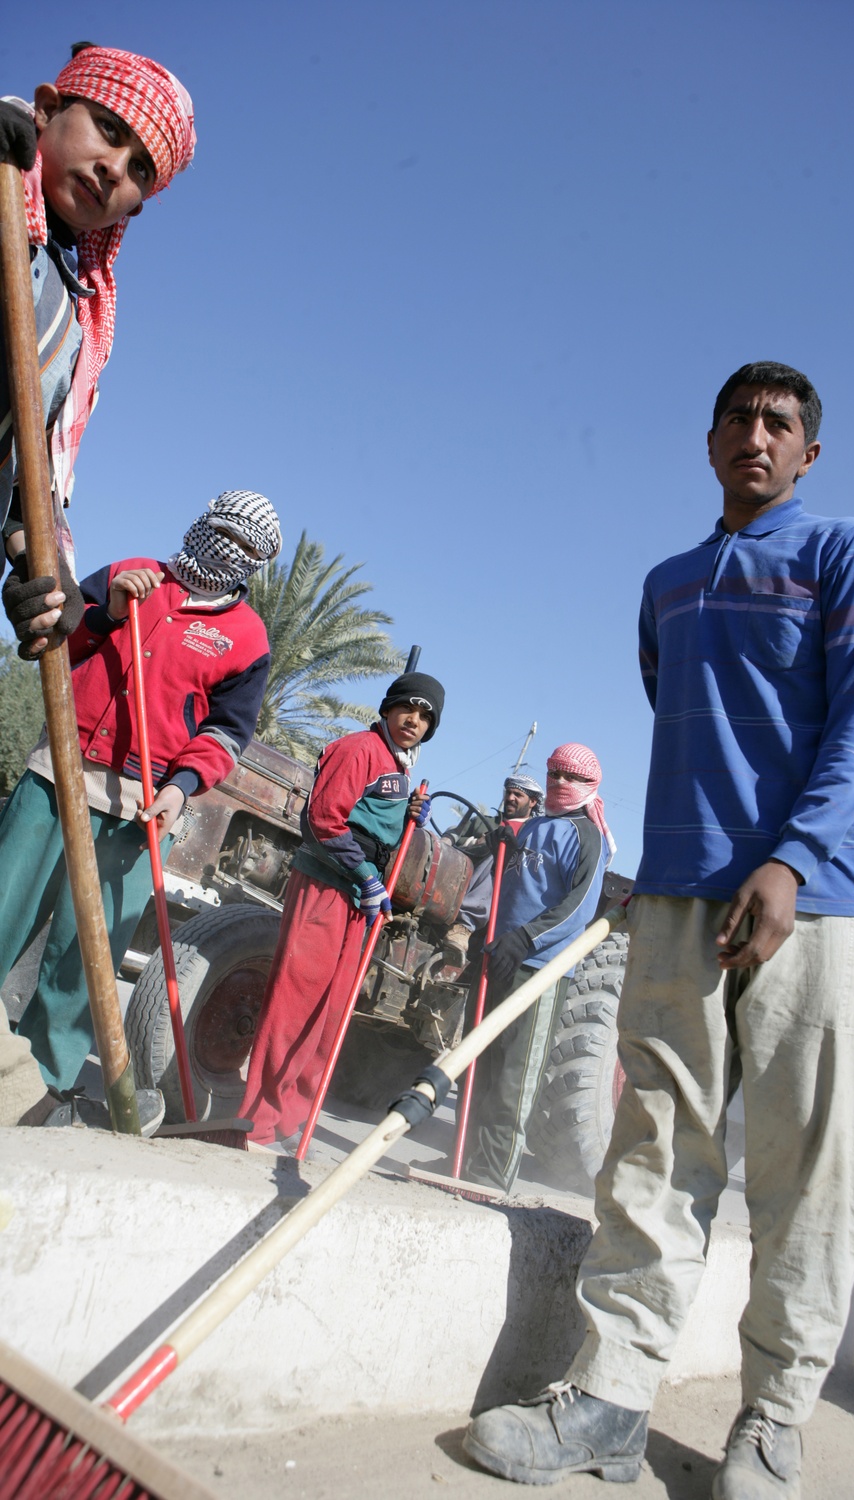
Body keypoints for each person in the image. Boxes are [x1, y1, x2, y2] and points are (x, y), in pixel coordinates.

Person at [464, 362, 854, 1496]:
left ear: (808, 453)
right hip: (678, 893)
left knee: (808, 1168)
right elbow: (683, 714)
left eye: (781, 423)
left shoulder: (844, 553)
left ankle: (773, 1424)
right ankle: (610, 1401)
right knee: (656, 1144)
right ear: (709, 442)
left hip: (821, 899)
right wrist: (690, 871)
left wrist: (790, 858)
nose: (757, 434)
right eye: (739, 419)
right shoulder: (668, 585)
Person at [0, 491, 280, 1106]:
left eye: (245, 546)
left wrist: (182, 788)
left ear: (257, 561)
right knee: (2, 907)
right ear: (202, 524)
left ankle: (41, 1086)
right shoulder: (130, 573)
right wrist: (105, 614)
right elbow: (56, 643)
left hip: (139, 807)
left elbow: (227, 732)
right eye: (222, 532)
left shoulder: (248, 638)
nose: (228, 548)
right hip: (58, 771)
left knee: (84, 958)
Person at [0, 41, 195, 656]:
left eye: (140, 170)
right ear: (47, 108)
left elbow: (25, 464)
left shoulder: (77, 318)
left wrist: (39, 564)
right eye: (109, 130)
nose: (114, 167)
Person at [240, 671, 445, 1151]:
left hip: (359, 901)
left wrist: (407, 815)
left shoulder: (398, 769)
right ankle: (259, 1123)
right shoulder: (359, 749)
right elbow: (324, 820)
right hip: (328, 888)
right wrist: (367, 876)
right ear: (388, 709)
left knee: (332, 1013)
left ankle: (291, 1123)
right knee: (295, 1008)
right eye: (407, 708)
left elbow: (370, 818)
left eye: (425, 717)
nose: (414, 720)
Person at [461, 744, 613, 1194]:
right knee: (479, 1067)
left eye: (571, 777)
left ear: (590, 785)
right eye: (554, 774)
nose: (560, 783)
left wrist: (526, 938)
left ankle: (491, 1176)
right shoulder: (534, 825)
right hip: (499, 958)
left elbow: (579, 910)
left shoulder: (587, 836)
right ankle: (464, 1162)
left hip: (540, 970)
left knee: (514, 1077)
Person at [442, 771, 545, 964]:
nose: (510, 798)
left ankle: (465, 925)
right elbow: (452, 835)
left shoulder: (532, 836)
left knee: (499, 853)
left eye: (518, 795)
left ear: (532, 802)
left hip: (500, 887)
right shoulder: (484, 822)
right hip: (458, 872)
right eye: (509, 792)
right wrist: (471, 842)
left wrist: (494, 848)